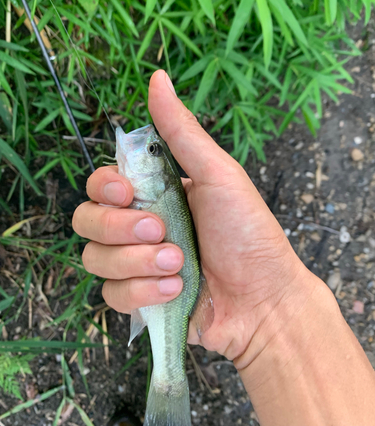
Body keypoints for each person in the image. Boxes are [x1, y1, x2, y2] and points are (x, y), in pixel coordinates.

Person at [72, 70, 375, 425]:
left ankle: (166, 386)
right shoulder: (158, 195)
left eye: (152, 149)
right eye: (156, 149)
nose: (147, 147)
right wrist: (270, 317)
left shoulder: (160, 196)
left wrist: (270, 313)